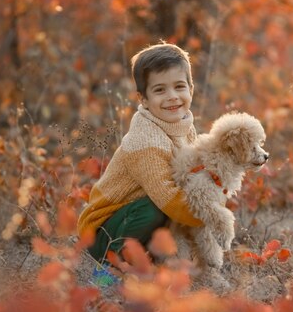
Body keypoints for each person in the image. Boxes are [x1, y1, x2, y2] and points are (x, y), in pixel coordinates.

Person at [77, 42, 203, 286]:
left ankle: (152, 265)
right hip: (102, 231)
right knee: (157, 208)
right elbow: (165, 194)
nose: (172, 97)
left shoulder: (184, 127)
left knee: (178, 205)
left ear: (191, 89)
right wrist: (206, 215)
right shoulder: (145, 139)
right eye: (159, 90)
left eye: (179, 86)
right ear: (143, 99)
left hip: (134, 218)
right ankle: (107, 269)